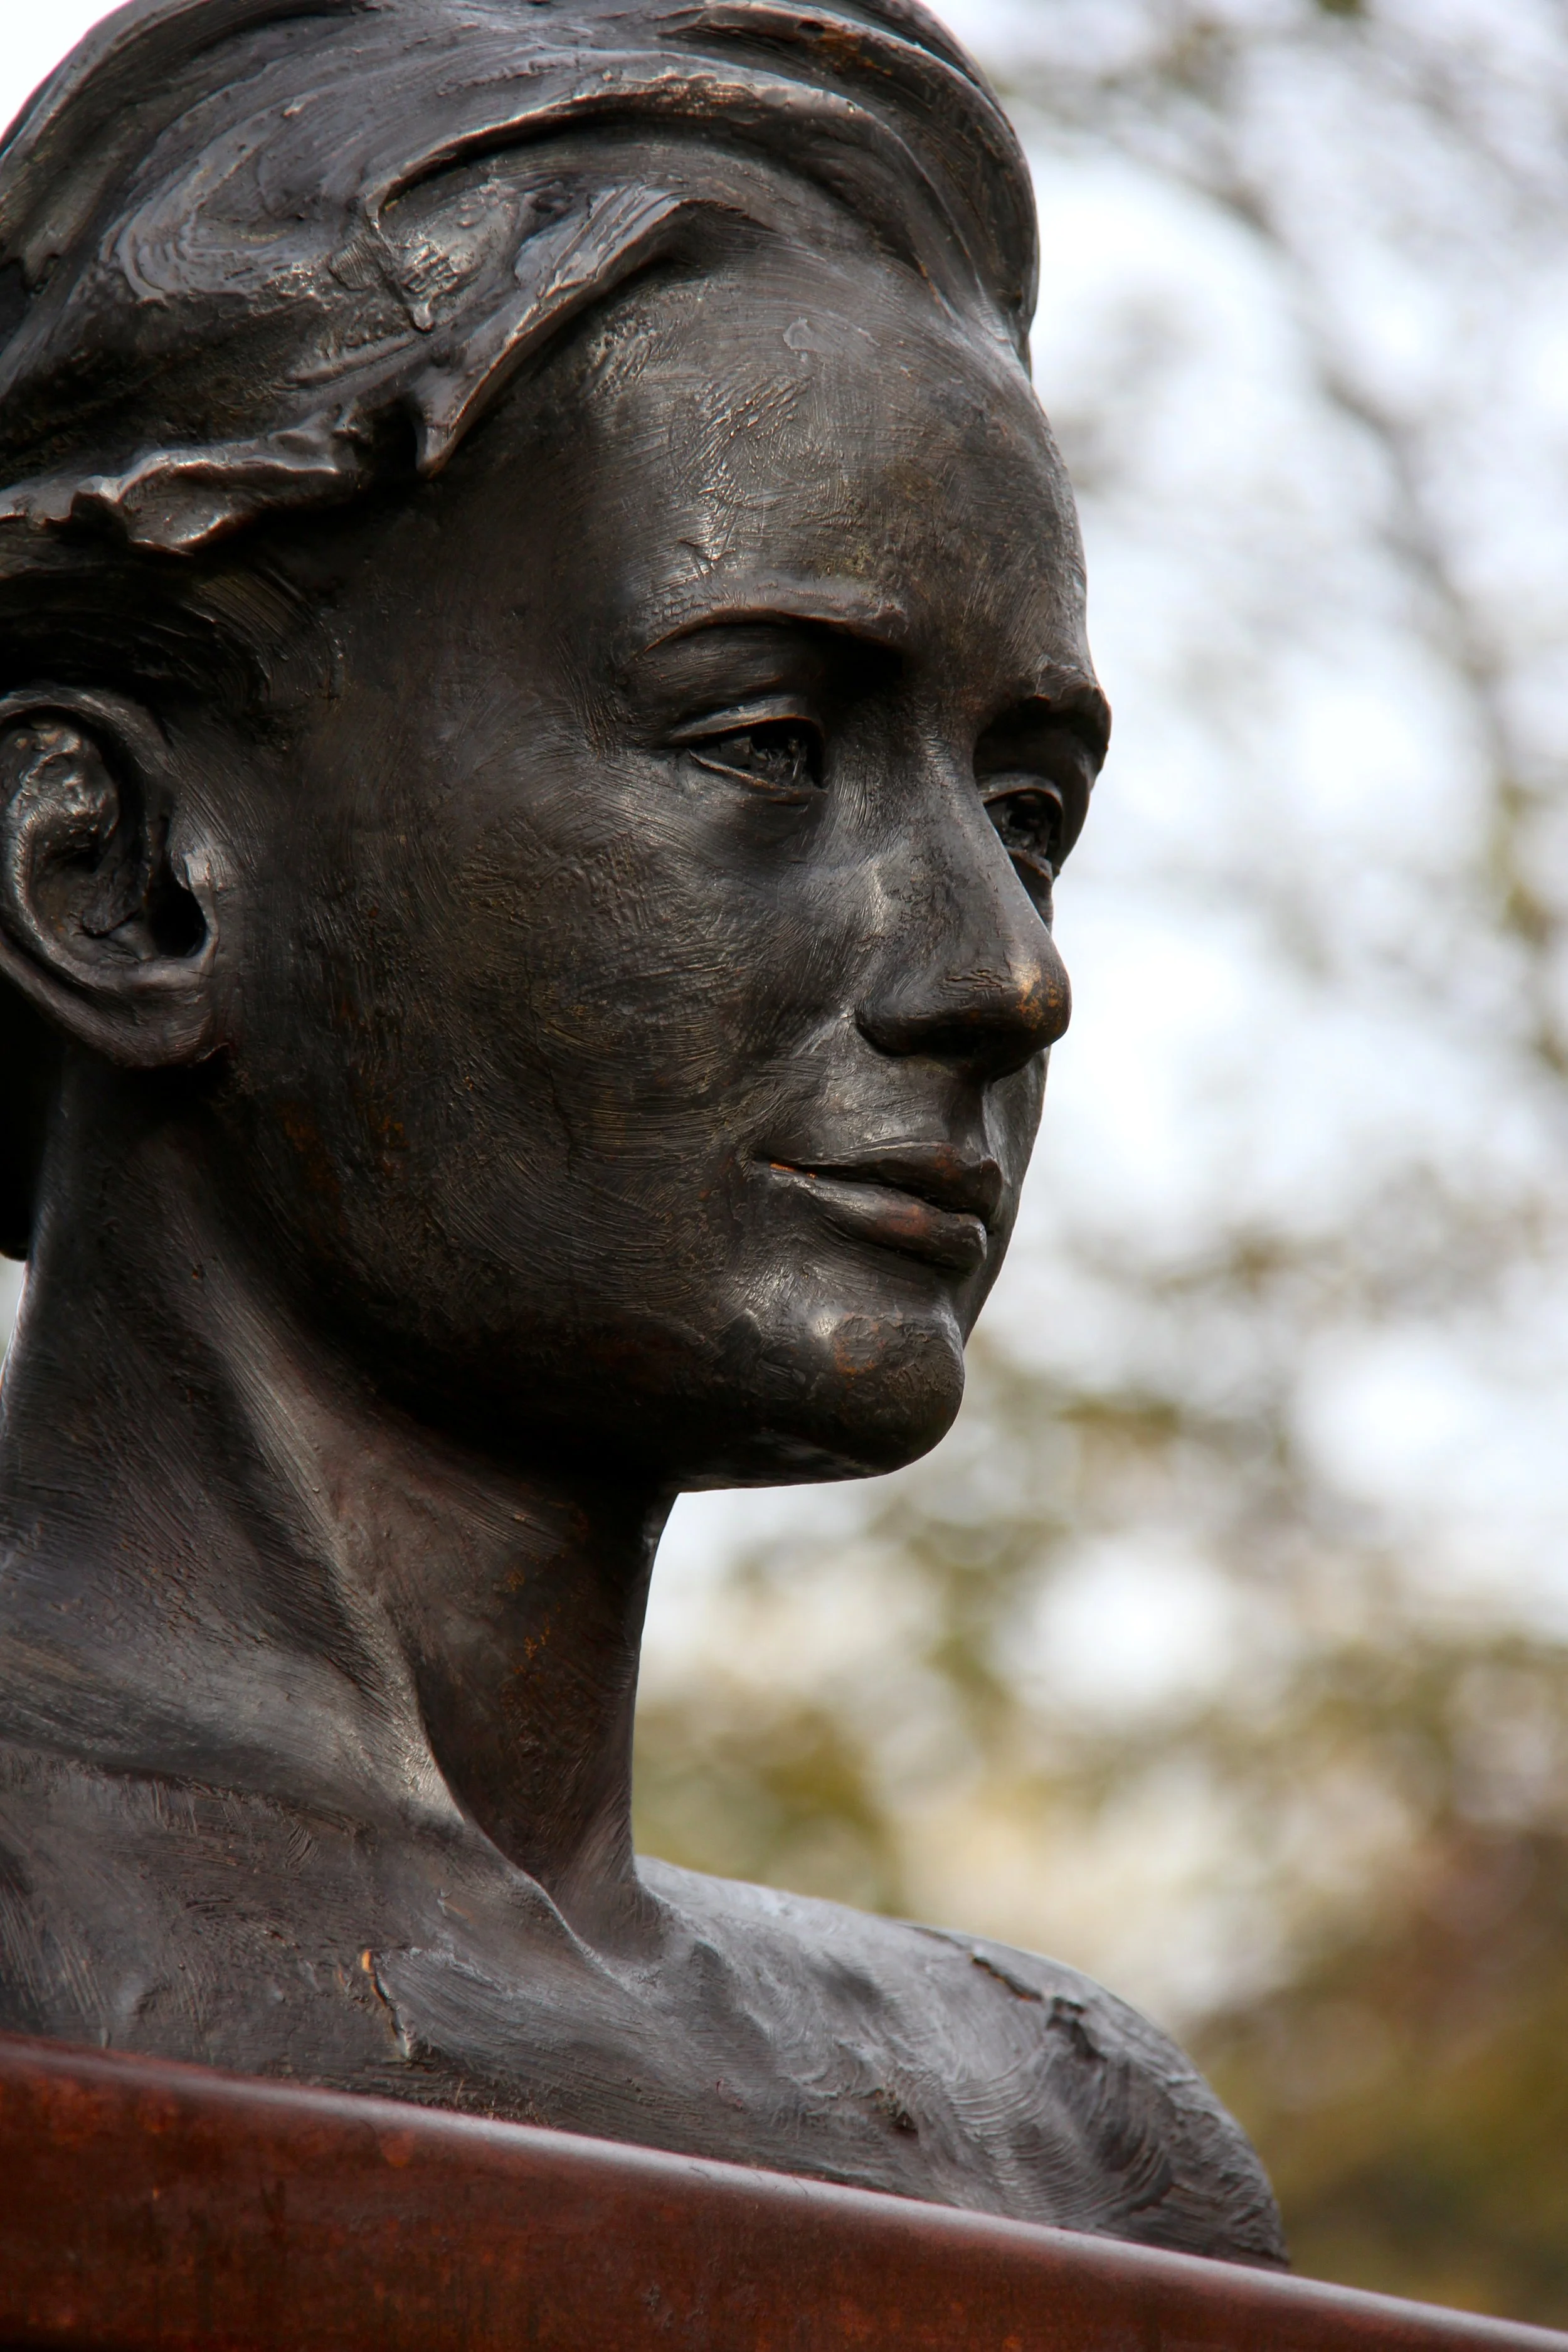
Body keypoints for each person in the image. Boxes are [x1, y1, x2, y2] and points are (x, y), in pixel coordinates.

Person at [0, 0, 1283, 2262]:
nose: (1005, 973)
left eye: (1027, 810)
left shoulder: (1076, 2147)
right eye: (771, 739)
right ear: (114, 866)